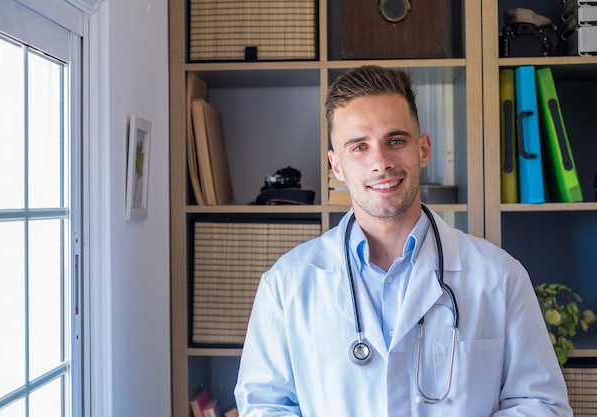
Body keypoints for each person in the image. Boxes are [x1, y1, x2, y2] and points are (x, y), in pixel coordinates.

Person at [234, 65, 572, 416]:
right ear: (337, 167)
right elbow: (265, 406)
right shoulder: (286, 285)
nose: (380, 162)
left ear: (423, 149)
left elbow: (540, 405)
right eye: (359, 147)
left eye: (395, 141)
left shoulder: (501, 277)